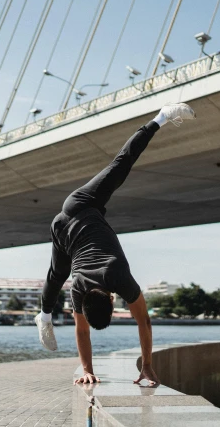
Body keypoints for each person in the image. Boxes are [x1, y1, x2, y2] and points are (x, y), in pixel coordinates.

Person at [35, 103, 196, 387]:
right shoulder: (80, 288)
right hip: (63, 229)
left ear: (111, 299)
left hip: (79, 206)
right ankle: (44, 315)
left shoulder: (116, 276)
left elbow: (143, 322)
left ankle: (162, 115)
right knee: (57, 275)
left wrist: (145, 366)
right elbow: (85, 331)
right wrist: (90, 369)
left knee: (121, 165)